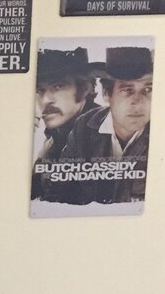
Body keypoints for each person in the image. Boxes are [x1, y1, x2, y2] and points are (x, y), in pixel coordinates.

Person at [56, 47, 153, 205]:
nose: (138, 102)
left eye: (148, 89)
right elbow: (59, 188)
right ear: (106, 94)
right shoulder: (84, 127)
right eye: (127, 90)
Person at [31, 47, 98, 201]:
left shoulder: (105, 134)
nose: (46, 100)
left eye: (58, 86)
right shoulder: (55, 136)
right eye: (40, 90)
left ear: (85, 88)